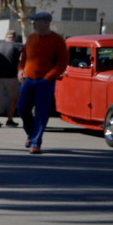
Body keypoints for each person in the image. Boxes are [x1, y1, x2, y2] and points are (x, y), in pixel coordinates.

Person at [17, 12, 67, 154]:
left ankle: (35, 142)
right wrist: (21, 70)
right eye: (33, 21)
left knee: (41, 112)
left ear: (46, 22)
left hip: (45, 82)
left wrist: (48, 78)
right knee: (22, 109)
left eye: (36, 21)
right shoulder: (31, 38)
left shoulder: (57, 40)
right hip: (28, 81)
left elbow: (62, 63)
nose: (33, 24)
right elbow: (23, 58)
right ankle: (31, 134)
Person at [0, 30, 23, 128]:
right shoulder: (17, 46)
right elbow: (22, 59)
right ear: (14, 38)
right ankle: (9, 119)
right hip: (11, 76)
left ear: (6, 37)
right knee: (13, 98)